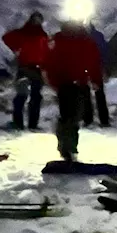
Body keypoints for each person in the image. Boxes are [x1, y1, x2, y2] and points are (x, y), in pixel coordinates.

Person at [44, 20, 104, 162]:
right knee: (73, 117)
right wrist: (95, 80)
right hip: (75, 83)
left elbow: (49, 63)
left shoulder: (59, 40)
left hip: (67, 84)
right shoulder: (84, 41)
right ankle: (68, 148)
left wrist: (54, 82)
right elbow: (93, 62)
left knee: (69, 116)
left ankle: (67, 147)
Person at [2, 12, 50, 130]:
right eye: (36, 19)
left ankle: (32, 124)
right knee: (22, 95)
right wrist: (15, 49)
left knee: (35, 97)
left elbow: (46, 52)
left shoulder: (42, 35)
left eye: (39, 19)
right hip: (25, 67)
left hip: (36, 69)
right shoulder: (23, 33)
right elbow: (6, 38)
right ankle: (19, 123)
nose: (37, 21)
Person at [81, 21, 112, 128]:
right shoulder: (96, 36)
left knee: (97, 94)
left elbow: (104, 52)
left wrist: (104, 67)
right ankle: (91, 119)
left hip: (94, 68)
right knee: (88, 95)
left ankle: (100, 120)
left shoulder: (93, 36)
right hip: (88, 68)